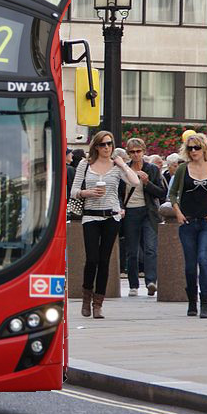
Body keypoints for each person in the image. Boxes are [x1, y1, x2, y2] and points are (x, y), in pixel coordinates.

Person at [70, 130, 139, 319]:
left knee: (104, 260)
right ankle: (86, 297)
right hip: (90, 217)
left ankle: (98, 303)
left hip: (112, 216)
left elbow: (135, 182)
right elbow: (74, 190)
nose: (106, 148)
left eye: (109, 144)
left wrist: (123, 164)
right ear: (96, 147)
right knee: (92, 258)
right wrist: (87, 193)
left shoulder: (116, 166)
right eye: (102, 144)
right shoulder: (85, 164)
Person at [169, 132, 207, 318]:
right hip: (188, 222)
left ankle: (205, 303)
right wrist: (178, 213)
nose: (193, 151)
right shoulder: (182, 169)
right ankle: (192, 302)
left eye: (197, 147)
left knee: (204, 259)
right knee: (189, 265)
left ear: (204, 148)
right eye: (190, 148)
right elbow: (173, 194)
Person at [122, 138, 166, 297]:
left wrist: (147, 182)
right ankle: (133, 284)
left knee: (150, 248)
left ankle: (151, 281)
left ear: (144, 151)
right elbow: (119, 192)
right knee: (132, 251)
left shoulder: (152, 169)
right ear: (128, 153)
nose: (135, 154)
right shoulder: (123, 169)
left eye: (138, 151)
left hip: (148, 212)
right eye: (132, 152)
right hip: (130, 212)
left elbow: (162, 193)